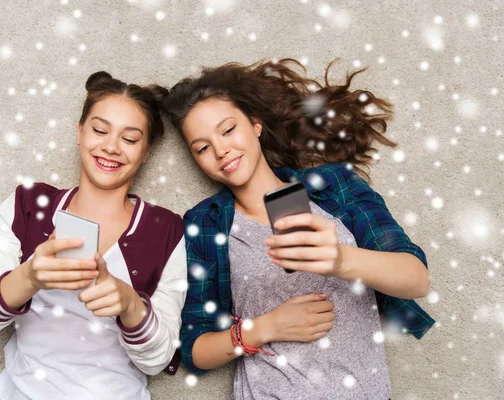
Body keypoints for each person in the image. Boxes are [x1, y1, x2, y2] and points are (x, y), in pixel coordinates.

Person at [162, 58, 434, 399]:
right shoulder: (205, 223)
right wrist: (264, 328)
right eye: (202, 147)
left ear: (255, 125)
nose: (221, 150)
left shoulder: (334, 185)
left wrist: (341, 260)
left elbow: (416, 279)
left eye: (228, 130)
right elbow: (195, 350)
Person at [0, 71, 186, 400]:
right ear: (79, 132)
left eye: (130, 139)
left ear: (146, 152)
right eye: (99, 130)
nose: (111, 146)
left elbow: (157, 360)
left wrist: (129, 304)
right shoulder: (27, 204)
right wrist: (29, 276)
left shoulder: (166, 229)